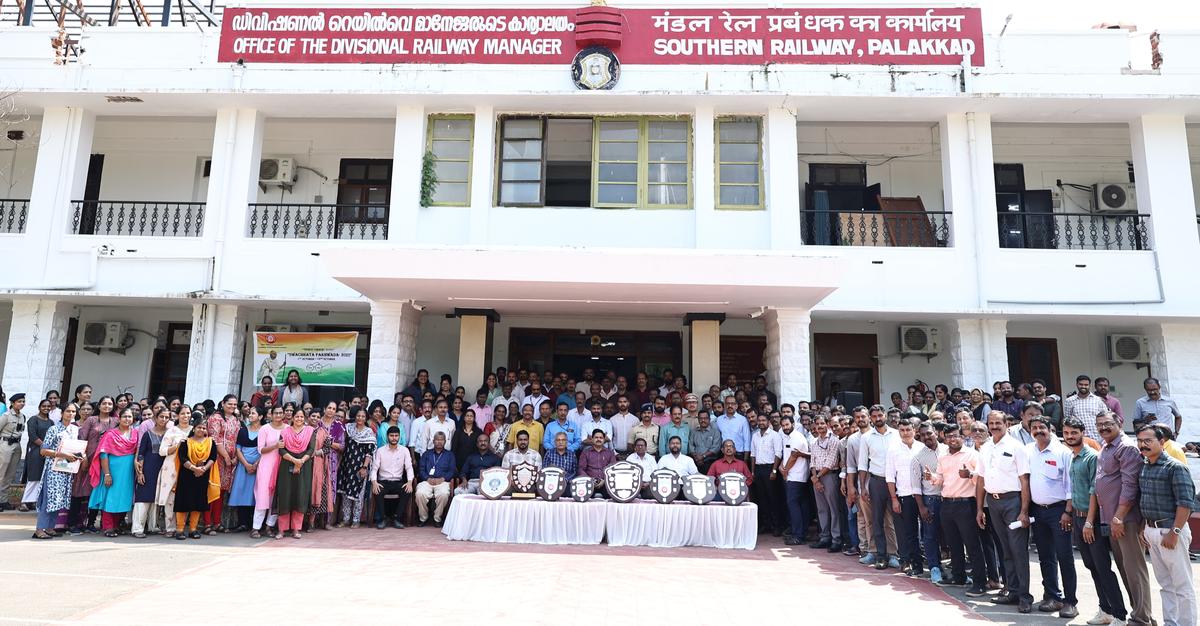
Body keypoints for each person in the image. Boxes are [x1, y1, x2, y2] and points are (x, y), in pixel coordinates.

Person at [1063, 416, 1129, 626]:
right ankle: (1105, 610)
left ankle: (1119, 614)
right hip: (1079, 518)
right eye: (1066, 433)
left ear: (1083, 433)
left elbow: (1095, 491)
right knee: (1092, 566)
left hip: (1092, 520)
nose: (1070, 436)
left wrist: (1090, 521)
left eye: (1074, 432)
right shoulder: (1073, 457)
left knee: (1103, 567)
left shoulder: (1091, 456)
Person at [1092, 411, 1153, 626]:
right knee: (1125, 569)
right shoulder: (1106, 445)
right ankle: (1141, 616)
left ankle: (1142, 618)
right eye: (1099, 424)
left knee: (1135, 570)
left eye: (1108, 423)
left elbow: (1129, 486)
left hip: (1124, 519)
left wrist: (1118, 517)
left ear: (1120, 422)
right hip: (1111, 518)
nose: (1103, 428)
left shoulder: (1125, 447)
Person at [1134, 424, 1196, 626]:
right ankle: (1171, 623)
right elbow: (1146, 499)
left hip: (1171, 531)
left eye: (1148, 441)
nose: (1143, 445)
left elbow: (1186, 503)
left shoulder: (1175, 468)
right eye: (1140, 441)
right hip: (1152, 531)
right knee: (1165, 584)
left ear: (1162, 442)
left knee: (1182, 585)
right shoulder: (1145, 466)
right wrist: (1145, 527)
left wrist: (1175, 532)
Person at [975, 410, 1033, 613]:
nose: (994, 426)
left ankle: (1025, 596)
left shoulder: (1017, 447)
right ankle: (1013, 591)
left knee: (1018, 550)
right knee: (1005, 550)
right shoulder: (985, 447)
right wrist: (979, 508)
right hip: (993, 502)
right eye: (991, 423)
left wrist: (1024, 511)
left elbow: (1025, 480)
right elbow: (981, 479)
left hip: (1013, 502)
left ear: (1006, 423)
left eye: (998, 422)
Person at [1025, 415, 1079, 618]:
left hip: (1059, 511)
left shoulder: (1062, 452)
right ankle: (1053, 597)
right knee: (1045, 557)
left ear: (1051, 429)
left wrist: (1067, 511)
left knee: (1065, 556)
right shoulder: (1028, 450)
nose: (1038, 431)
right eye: (1034, 428)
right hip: (1037, 511)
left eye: (1042, 427)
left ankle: (1070, 601)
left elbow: (1070, 485)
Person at [928, 424, 987, 596]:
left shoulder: (973, 454)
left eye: (955, 436)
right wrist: (931, 477)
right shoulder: (943, 457)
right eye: (948, 437)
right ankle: (958, 576)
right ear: (944, 439)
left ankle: (979, 582)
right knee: (953, 544)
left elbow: (981, 478)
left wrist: (969, 475)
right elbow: (940, 478)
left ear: (963, 436)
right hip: (946, 503)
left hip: (966, 503)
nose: (952, 439)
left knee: (972, 544)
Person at [87, 408, 138, 537]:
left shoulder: (135, 433)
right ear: (119, 419)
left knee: (124, 498)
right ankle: (108, 527)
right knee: (110, 498)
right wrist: (107, 474)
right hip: (112, 472)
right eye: (125, 416)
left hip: (127, 473)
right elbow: (103, 455)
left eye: (130, 417)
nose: (127, 419)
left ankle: (116, 525)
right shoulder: (111, 434)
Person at [32, 403, 80, 539]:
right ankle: (39, 529)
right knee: (49, 498)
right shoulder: (53, 429)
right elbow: (43, 450)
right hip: (53, 470)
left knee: (60, 499)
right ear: (62, 413)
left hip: (67, 469)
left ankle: (50, 527)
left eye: (73, 412)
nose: (71, 414)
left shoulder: (74, 430)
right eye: (68, 411)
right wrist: (63, 455)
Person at [860, 404, 900, 570]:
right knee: (877, 520)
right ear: (871, 418)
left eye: (880, 415)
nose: (877, 418)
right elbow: (862, 464)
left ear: (885, 415)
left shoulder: (897, 434)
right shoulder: (867, 437)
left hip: (896, 483)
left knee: (896, 519)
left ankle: (895, 555)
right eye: (874, 416)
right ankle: (881, 556)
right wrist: (863, 487)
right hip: (876, 481)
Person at [886, 419, 922, 575]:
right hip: (904, 496)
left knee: (928, 532)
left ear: (914, 430)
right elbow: (890, 477)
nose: (906, 433)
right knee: (909, 532)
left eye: (908, 429)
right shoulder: (893, 450)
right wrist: (894, 499)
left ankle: (933, 565)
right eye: (902, 430)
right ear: (898, 431)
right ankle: (909, 562)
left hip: (924, 496)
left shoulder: (922, 448)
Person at [173, 419, 219, 540]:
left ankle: (193, 529)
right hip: (186, 476)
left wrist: (203, 469)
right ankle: (179, 530)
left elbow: (213, 457)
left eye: (204, 428)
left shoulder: (210, 442)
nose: (202, 430)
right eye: (199, 427)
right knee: (183, 502)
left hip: (203, 476)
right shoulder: (185, 442)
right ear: (194, 428)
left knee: (198, 503)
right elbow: (182, 458)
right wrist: (194, 468)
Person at [912, 423, 945, 583]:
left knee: (950, 536)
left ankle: (957, 571)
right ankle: (934, 568)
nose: (926, 437)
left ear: (936, 433)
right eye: (923, 435)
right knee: (930, 536)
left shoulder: (948, 450)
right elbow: (916, 486)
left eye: (929, 433)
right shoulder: (918, 456)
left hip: (949, 499)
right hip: (930, 500)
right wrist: (921, 507)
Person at [275, 411, 315, 540]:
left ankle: (296, 529)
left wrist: (301, 461)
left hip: (305, 466)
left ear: (305, 418)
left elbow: (311, 449)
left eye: (301, 417)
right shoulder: (285, 431)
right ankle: (281, 529)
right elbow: (281, 449)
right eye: (297, 416)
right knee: (285, 494)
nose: (299, 419)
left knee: (300, 495)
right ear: (292, 418)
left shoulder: (310, 431)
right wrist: (295, 461)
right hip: (287, 465)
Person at [130, 408, 168, 538]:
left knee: (156, 499)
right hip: (148, 469)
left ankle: (153, 526)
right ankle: (137, 528)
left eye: (166, 417)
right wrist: (140, 472)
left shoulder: (170, 434)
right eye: (161, 417)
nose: (164, 419)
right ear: (155, 418)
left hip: (163, 469)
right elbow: (141, 454)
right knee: (143, 499)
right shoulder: (147, 433)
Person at [206, 395, 241, 533]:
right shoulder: (216, 418)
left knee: (221, 492)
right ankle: (208, 523)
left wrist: (234, 458)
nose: (232, 406)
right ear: (223, 403)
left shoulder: (236, 420)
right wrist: (226, 456)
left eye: (234, 404)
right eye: (230, 404)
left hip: (231, 460)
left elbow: (238, 439)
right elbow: (215, 439)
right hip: (217, 458)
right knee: (212, 490)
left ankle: (217, 522)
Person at [337, 407, 376, 528]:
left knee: (358, 494)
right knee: (345, 494)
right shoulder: (349, 428)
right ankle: (346, 519)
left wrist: (364, 467)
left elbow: (369, 453)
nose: (360, 418)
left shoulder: (368, 432)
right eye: (358, 416)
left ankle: (356, 520)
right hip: (346, 465)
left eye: (363, 416)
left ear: (366, 418)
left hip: (360, 467)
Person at [809, 415, 842, 552]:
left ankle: (836, 539)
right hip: (817, 477)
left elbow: (832, 461)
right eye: (817, 424)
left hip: (829, 476)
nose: (820, 426)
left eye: (822, 423)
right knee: (822, 509)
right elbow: (812, 462)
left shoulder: (834, 440)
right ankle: (825, 537)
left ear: (827, 424)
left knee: (834, 509)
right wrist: (815, 478)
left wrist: (817, 478)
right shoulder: (814, 442)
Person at [309, 402, 345, 530]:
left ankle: (326, 521)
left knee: (330, 490)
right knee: (315, 488)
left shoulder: (339, 426)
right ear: (324, 409)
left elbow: (342, 446)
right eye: (329, 407)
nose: (331, 410)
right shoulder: (317, 423)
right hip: (316, 460)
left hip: (332, 462)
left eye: (334, 409)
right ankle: (312, 521)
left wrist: (329, 444)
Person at [250, 407, 284, 538]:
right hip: (266, 466)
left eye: (281, 413)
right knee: (262, 497)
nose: (278, 415)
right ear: (271, 414)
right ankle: (255, 528)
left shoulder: (287, 428)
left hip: (281, 465)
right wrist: (275, 446)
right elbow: (261, 450)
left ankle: (269, 527)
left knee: (276, 498)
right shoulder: (264, 429)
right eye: (276, 413)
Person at [227, 407, 263, 532]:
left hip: (259, 466)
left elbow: (265, 450)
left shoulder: (264, 431)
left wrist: (256, 464)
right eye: (250, 413)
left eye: (254, 413)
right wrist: (247, 464)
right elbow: (238, 449)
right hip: (243, 466)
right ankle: (242, 522)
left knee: (255, 494)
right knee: (241, 492)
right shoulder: (242, 430)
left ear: (261, 417)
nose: (250, 415)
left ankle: (253, 523)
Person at [372, 426, 414, 529]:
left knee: (407, 490)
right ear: (387, 437)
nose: (394, 438)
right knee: (378, 490)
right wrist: (374, 482)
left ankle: (397, 518)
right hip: (383, 481)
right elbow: (374, 469)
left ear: (399, 436)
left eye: (396, 436)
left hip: (397, 482)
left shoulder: (404, 450)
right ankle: (382, 519)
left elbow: (409, 468)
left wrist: (409, 482)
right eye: (391, 436)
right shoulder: (380, 451)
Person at [779, 415, 811, 545]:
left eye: (787, 425)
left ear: (793, 424)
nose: (785, 427)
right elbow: (786, 455)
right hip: (793, 475)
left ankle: (798, 535)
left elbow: (793, 457)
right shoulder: (787, 437)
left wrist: (785, 470)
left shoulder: (797, 437)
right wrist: (782, 467)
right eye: (783, 425)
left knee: (793, 504)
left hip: (797, 476)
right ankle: (801, 532)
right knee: (800, 504)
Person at [21, 399, 54, 511]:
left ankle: (34, 501)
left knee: (41, 477)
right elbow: (33, 436)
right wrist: (45, 446)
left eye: (48, 406)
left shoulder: (51, 422)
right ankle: (25, 502)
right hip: (35, 451)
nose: (46, 408)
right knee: (33, 476)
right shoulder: (33, 420)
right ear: (39, 407)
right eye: (44, 406)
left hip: (47, 453)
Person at [415, 431, 454, 527]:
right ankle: (423, 518)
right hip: (427, 481)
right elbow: (421, 469)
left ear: (445, 441)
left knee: (444, 494)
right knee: (420, 493)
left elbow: (452, 470)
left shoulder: (450, 455)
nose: (439, 442)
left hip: (442, 481)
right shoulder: (426, 454)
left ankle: (437, 518)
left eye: (441, 440)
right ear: (433, 441)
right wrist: (427, 478)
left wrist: (443, 479)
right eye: (437, 440)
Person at [1064, 375, 1107, 441]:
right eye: (1081, 384)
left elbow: (1105, 418)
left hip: (1097, 438)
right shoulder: (1069, 401)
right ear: (1077, 384)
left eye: (1086, 385)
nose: (1083, 386)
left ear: (1089, 385)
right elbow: (1067, 421)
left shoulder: (1098, 400)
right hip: (1079, 439)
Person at [0, 393, 26, 492]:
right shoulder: (6, 416)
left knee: (11, 474)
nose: (22, 403)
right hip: (6, 444)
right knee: (2, 473)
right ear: (12, 403)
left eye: (23, 401)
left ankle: (3, 500)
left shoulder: (22, 416)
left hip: (17, 445)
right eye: (19, 401)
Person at [578, 429, 616, 496]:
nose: (598, 439)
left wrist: (605, 480)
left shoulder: (610, 453)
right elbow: (581, 469)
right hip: (589, 483)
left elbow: (613, 470)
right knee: (585, 496)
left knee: (611, 496)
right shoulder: (586, 452)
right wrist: (590, 480)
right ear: (592, 439)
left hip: (606, 483)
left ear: (604, 439)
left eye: (601, 438)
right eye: (596, 437)